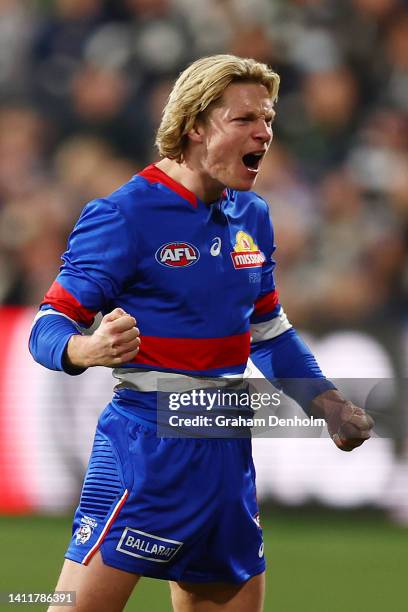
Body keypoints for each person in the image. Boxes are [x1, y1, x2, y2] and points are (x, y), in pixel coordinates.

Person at [29, 54, 374, 612]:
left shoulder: (253, 216)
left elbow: (268, 331)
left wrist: (326, 402)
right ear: (195, 125)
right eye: (244, 120)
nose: (264, 132)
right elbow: (48, 323)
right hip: (147, 449)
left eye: (268, 119)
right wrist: (85, 349)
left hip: (225, 449)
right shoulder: (124, 215)